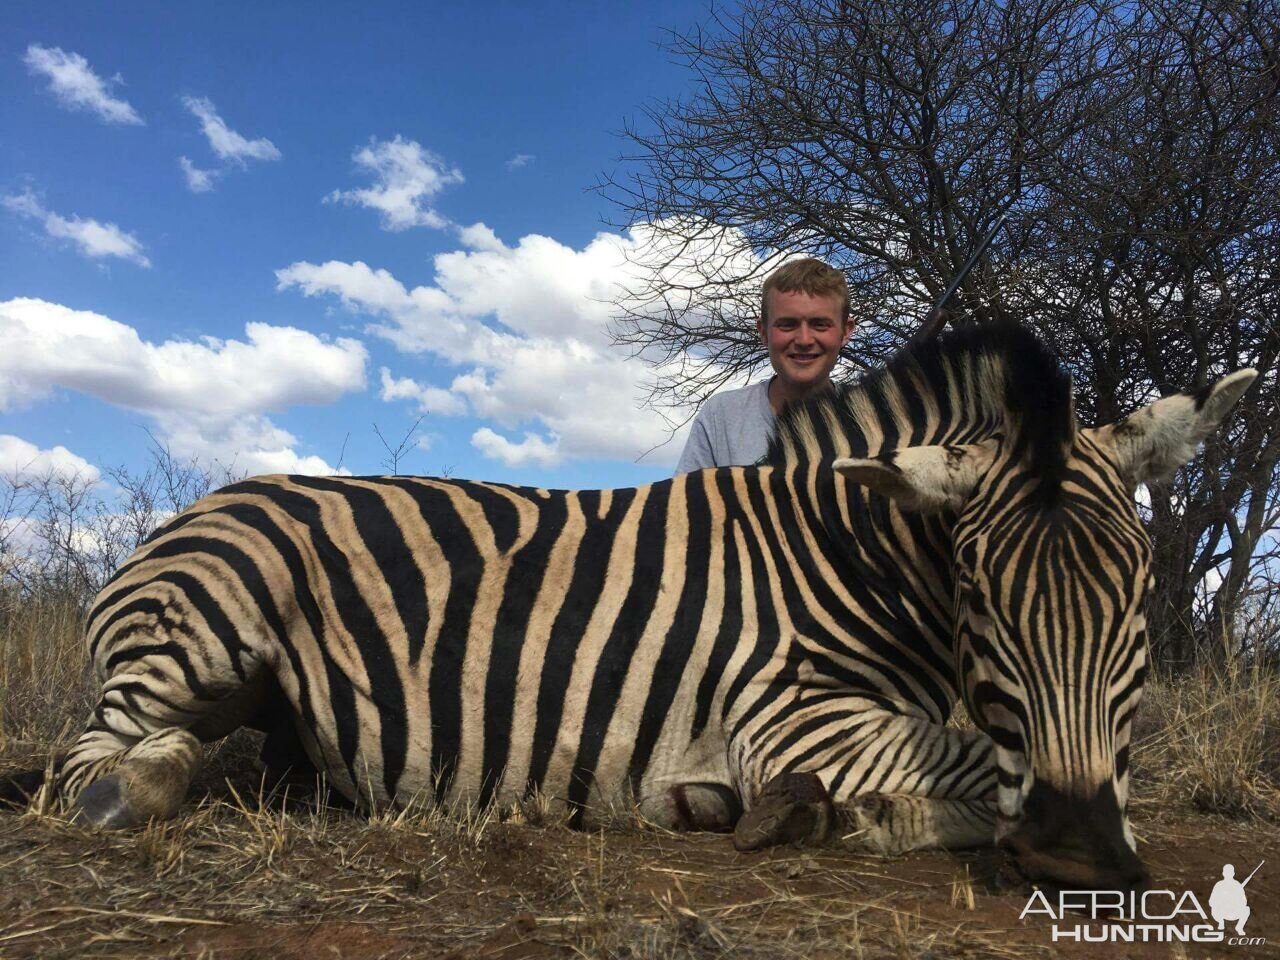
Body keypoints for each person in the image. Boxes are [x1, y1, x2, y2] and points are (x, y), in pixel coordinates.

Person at [675, 258, 855, 473]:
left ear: (846, 331)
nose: (804, 340)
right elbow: (686, 503)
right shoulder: (721, 416)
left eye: (820, 325)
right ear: (763, 332)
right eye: (787, 325)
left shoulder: (871, 419)